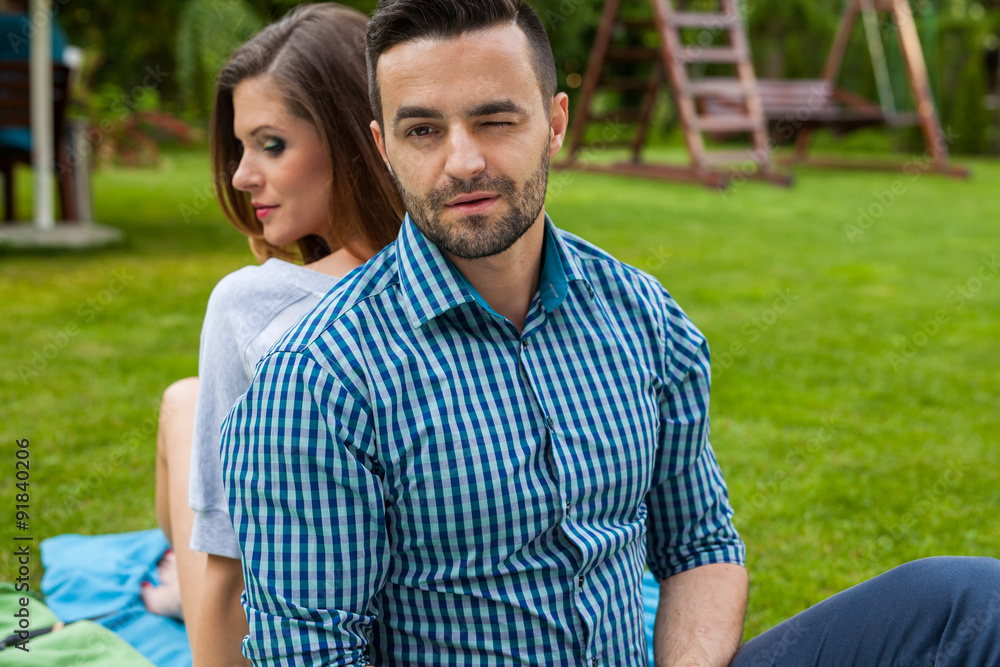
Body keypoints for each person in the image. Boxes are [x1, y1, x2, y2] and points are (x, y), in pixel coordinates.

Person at [220, 1, 1000, 665]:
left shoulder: (642, 315)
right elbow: (311, 651)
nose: (461, 162)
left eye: (495, 119)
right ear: (385, 146)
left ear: (555, 121)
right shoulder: (317, 380)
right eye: (423, 131)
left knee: (967, 600)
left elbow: (699, 544)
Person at [146, 4, 402, 665]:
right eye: (240, 147)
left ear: (353, 136)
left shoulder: (255, 303)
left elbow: (232, 557)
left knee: (182, 401)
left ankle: (182, 580)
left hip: (307, 624)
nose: (239, 175)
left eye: (271, 144)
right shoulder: (467, 270)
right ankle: (182, 577)